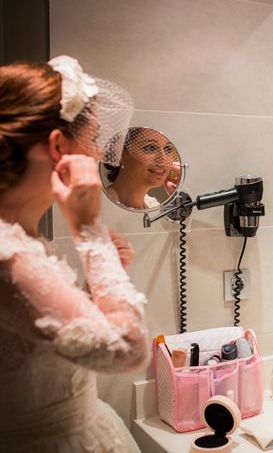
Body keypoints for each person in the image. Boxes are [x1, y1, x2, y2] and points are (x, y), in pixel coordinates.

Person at [0, 56, 147, 451]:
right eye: (95, 137)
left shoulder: (18, 237)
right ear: (57, 145)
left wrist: (96, 281)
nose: (99, 154)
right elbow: (127, 350)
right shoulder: (6, 255)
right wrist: (89, 232)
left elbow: (46, 334)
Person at [103, 127, 179, 210]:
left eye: (168, 149)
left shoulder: (152, 206)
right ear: (122, 154)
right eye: (150, 148)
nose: (162, 160)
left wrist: (177, 196)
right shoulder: (99, 204)